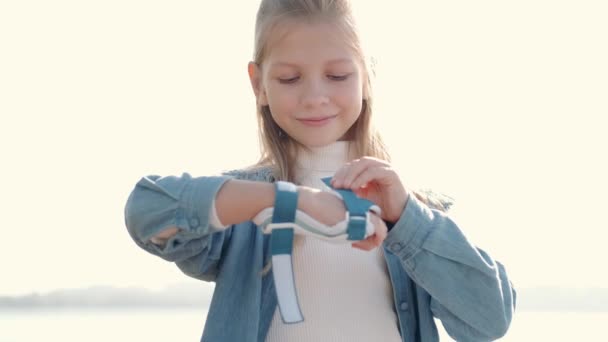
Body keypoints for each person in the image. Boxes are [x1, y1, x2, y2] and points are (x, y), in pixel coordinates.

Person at [124, 0, 516, 341]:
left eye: (338, 76)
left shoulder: (414, 209)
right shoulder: (242, 208)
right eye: (290, 78)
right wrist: (292, 202)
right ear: (258, 84)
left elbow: (490, 320)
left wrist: (407, 219)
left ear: (367, 76)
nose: (315, 97)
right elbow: (146, 211)